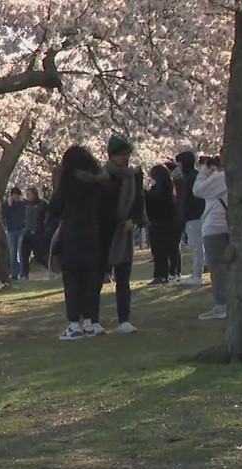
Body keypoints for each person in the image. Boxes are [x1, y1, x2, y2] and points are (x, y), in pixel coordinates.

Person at [48, 145, 107, 340]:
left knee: (72, 280)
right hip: (93, 233)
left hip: (72, 234)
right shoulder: (97, 181)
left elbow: (55, 207)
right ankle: (90, 323)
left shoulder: (68, 181)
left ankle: (74, 324)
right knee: (90, 280)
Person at [96, 135, 145, 335]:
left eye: (127, 154)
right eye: (122, 154)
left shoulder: (133, 176)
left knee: (123, 279)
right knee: (98, 278)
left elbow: (138, 200)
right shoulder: (102, 176)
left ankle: (124, 320)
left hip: (125, 230)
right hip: (105, 232)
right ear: (112, 156)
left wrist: (133, 219)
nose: (126, 158)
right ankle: (93, 320)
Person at [192, 156, 229, 320]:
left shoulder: (222, 178)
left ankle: (221, 305)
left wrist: (204, 170)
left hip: (215, 226)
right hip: (233, 226)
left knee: (218, 268)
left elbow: (198, 190)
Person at [175, 151, 207, 285]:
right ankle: (196, 273)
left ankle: (197, 275)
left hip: (193, 216)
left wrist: (182, 215)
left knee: (196, 246)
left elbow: (187, 199)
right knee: (197, 245)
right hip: (196, 215)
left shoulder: (190, 178)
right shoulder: (193, 176)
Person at [145, 164, 179, 285]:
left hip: (157, 222)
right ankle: (172, 272)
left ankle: (160, 274)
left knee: (159, 250)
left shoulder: (157, 190)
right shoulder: (170, 188)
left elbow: (154, 203)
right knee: (170, 249)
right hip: (169, 222)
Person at [20, 187, 47, 279]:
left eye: (29, 194)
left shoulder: (42, 204)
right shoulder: (25, 204)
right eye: (27, 194)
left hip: (38, 233)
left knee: (38, 255)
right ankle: (25, 275)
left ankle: (50, 268)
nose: (28, 196)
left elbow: (49, 215)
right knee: (24, 254)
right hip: (27, 232)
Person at [2, 187, 26, 280]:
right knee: (13, 253)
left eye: (17, 196)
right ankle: (14, 273)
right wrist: (9, 205)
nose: (16, 198)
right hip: (11, 230)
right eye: (14, 196)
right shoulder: (6, 204)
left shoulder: (23, 203)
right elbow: (4, 215)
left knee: (21, 250)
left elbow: (25, 213)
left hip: (21, 229)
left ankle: (22, 272)